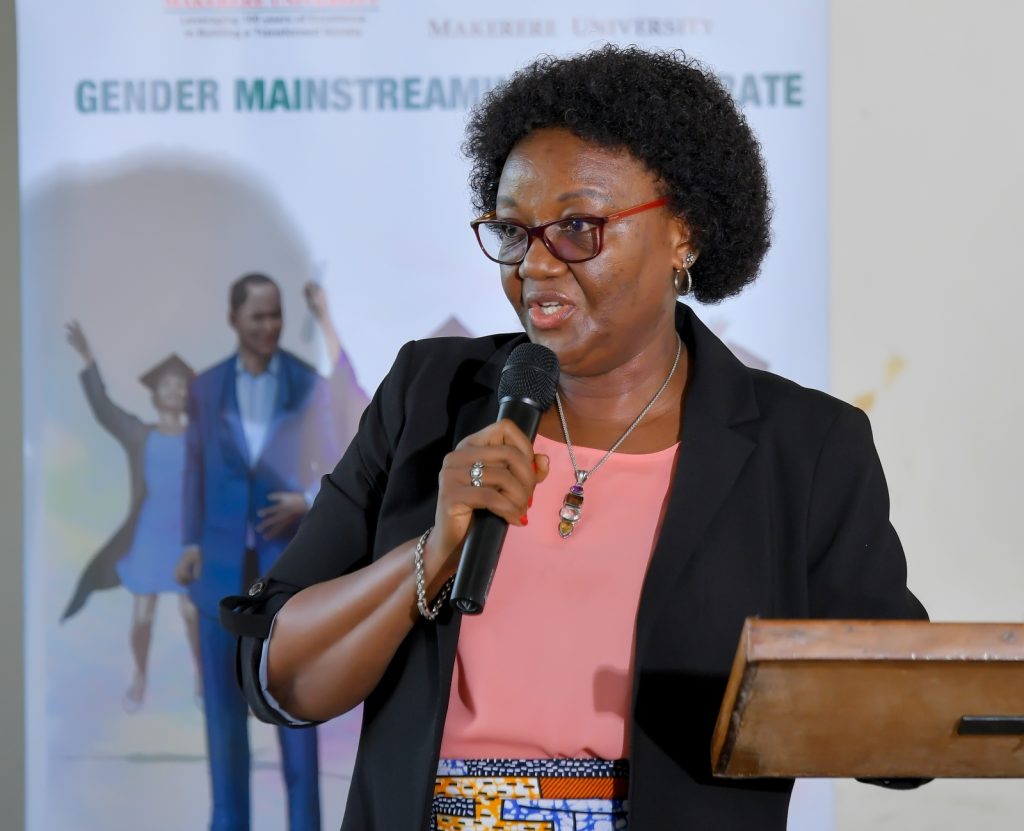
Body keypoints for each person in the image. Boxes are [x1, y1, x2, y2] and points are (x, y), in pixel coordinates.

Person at [222, 47, 927, 830]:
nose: (536, 266)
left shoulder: (804, 446)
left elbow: (904, 734)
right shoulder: (432, 396)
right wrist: (431, 550)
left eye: (578, 229)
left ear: (683, 232)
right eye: (513, 232)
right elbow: (280, 680)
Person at [177, 274, 367, 831]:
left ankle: (304, 823)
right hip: (218, 573)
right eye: (258, 316)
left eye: (276, 315)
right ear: (234, 319)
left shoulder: (305, 382)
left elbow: (339, 457)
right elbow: (196, 468)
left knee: (292, 710)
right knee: (223, 717)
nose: (269, 326)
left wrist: (308, 500)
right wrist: (190, 541)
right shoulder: (205, 388)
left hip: (288, 572)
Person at [62, 323, 201, 712]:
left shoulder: (200, 439)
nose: (173, 390)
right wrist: (89, 360)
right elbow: (104, 410)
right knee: (143, 615)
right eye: (166, 385)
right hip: (148, 537)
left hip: (184, 538)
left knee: (191, 610)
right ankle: (140, 676)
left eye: (180, 385)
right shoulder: (140, 434)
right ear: (155, 395)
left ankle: (201, 673)